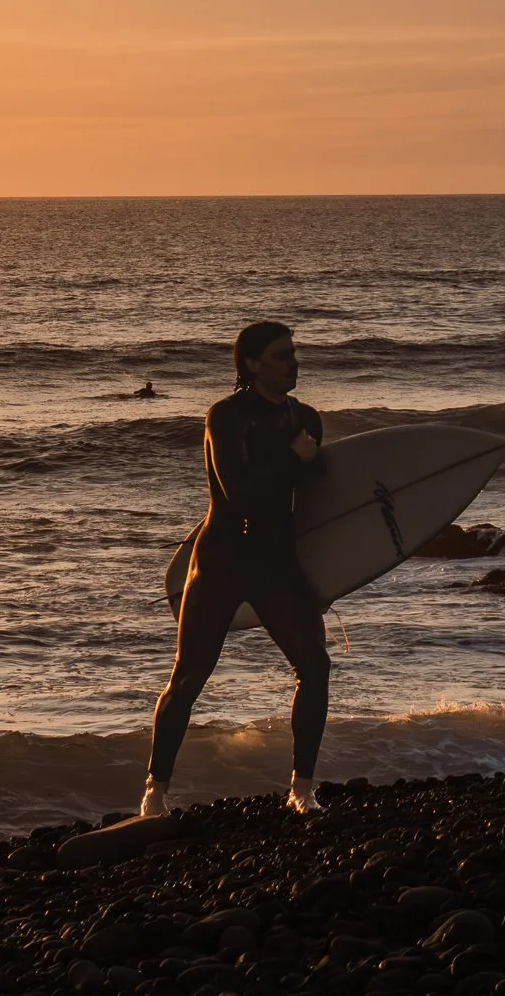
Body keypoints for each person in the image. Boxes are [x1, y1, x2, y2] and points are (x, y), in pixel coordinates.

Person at [142, 321, 331, 817]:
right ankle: (155, 793)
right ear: (251, 364)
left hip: (277, 564)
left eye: (293, 353)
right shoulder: (224, 417)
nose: (293, 362)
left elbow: (317, 504)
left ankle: (302, 789)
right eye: (281, 355)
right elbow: (239, 493)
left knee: (315, 666)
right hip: (223, 560)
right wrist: (295, 458)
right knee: (189, 677)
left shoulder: (307, 418)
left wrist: (331, 575)